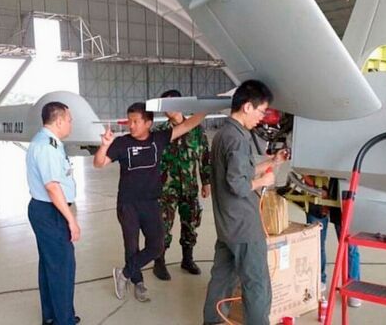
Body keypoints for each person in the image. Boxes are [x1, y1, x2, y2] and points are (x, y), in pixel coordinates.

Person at [93, 102, 206, 302]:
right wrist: (104, 145)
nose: (131, 126)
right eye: (129, 121)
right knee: (132, 246)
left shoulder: (159, 139)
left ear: (148, 123)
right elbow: (99, 164)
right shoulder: (122, 143)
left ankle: (125, 273)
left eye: (136, 121)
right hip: (128, 204)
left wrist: (208, 108)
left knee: (157, 246)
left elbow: (187, 126)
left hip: (151, 203)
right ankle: (138, 282)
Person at [202, 80, 288, 325]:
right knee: (256, 283)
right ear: (248, 107)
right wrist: (264, 181)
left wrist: (273, 161)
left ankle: (212, 321)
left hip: (226, 225)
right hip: (244, 226)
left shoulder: (223, 134)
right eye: (261, 111)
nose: (262, 117)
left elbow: (240, 170)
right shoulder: (238, 139)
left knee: (221, 278)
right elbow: (238, 185)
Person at [26, 102, 81, 325]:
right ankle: (63, 320)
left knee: (51, 265)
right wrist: (71, 220)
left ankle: (53, 316)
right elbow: (52, 187)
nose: (71, 123)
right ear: (58, 121)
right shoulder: (47, 146)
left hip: (46, 210)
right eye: (69, 119)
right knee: (62, 268)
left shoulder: (50, 142)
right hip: (52, 212)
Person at [152, 89, 211, 280]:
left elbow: (204, 157)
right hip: (165, 189)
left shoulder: (196, 130)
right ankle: (159, 262)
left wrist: (206, 182)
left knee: (191, 223)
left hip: (189, 187)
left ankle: (187, 259)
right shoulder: (160, 132)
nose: (169, 108)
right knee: (163, 226)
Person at [302, 176, 361, 307]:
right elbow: (302, 169)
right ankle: (319, 279)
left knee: (349, 247)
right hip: (316, 197)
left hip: (343, 195)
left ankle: (354, 287)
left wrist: (331, 193)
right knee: (316, 243)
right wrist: (318, 189)